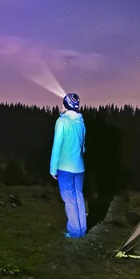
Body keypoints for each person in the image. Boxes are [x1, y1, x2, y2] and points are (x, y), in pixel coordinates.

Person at [50, 92, 87, 238]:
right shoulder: (81, 122)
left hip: (65, 168)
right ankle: (82, 230)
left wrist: (53, 168)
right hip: (80, 168)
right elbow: (83, 146)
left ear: (65, 104)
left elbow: (57, 146)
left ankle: (74, 232)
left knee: (69, 200)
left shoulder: (62, 122)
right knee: (78, 197)